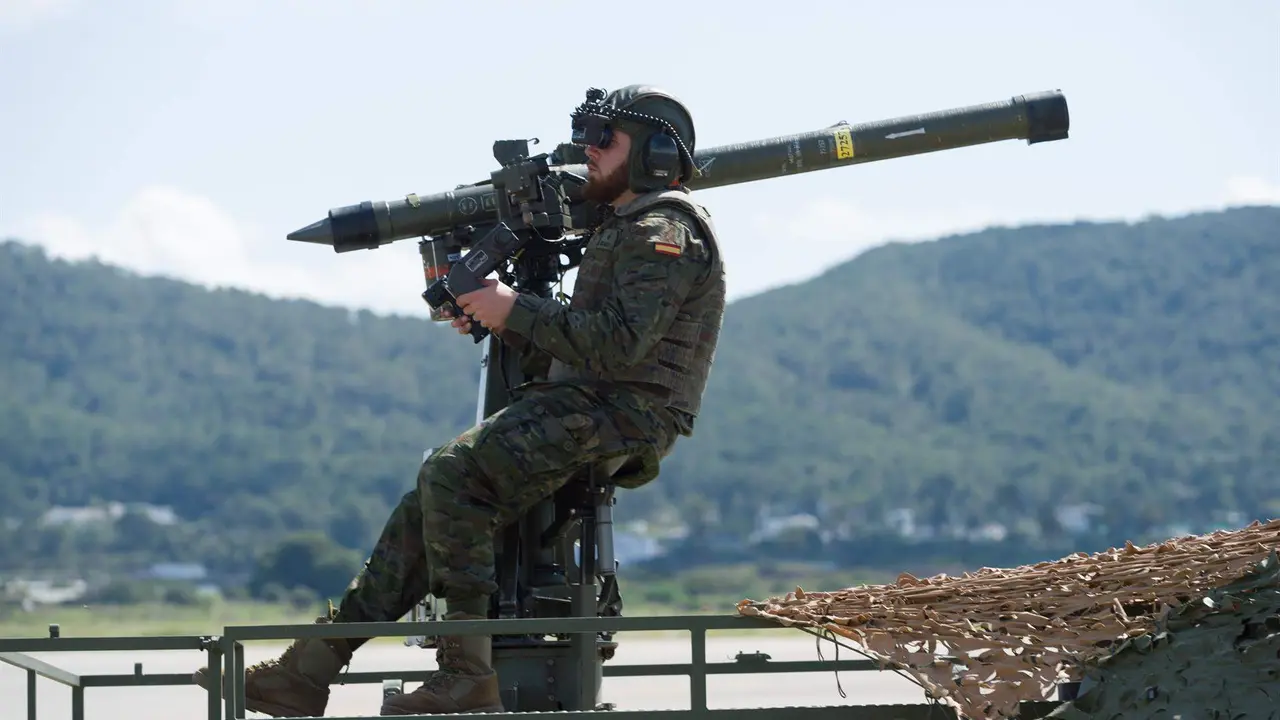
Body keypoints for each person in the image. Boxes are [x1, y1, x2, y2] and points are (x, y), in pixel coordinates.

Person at [192, 83, 726, 716]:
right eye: (587, 136)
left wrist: (512, 308)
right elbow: (583, 347)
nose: (589, 151)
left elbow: (618, 347)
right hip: (592, 402)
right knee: (429, 505)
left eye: (604, 139)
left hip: (626, 413)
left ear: (657, 154)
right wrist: (500, 318)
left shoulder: (663, 230)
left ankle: (467, 676)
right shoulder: (629, 227)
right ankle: (307, 671)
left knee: (453, 473)